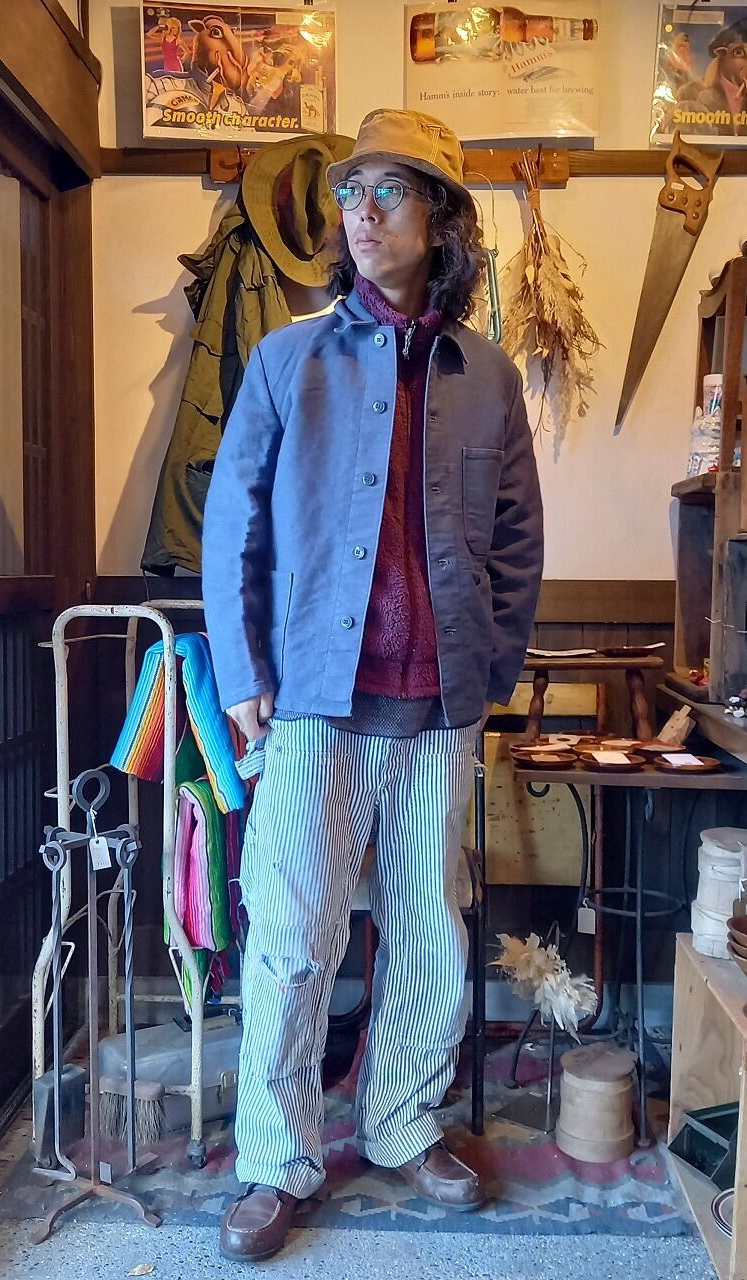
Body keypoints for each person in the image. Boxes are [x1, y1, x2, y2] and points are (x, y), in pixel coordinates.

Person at [203, 107, 544, 1262]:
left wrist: (488, 670)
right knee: (292, 931)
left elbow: (515, 541)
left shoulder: (488, 378)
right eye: (352, 192)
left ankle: (400, 1122)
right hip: (314, 698)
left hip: (439, 706)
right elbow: (231, 530)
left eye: (389, 191)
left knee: (428, 931)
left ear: (440, 218)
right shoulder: (284, 360)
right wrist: (244, 671)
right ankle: (276, 1156)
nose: (361, 212)